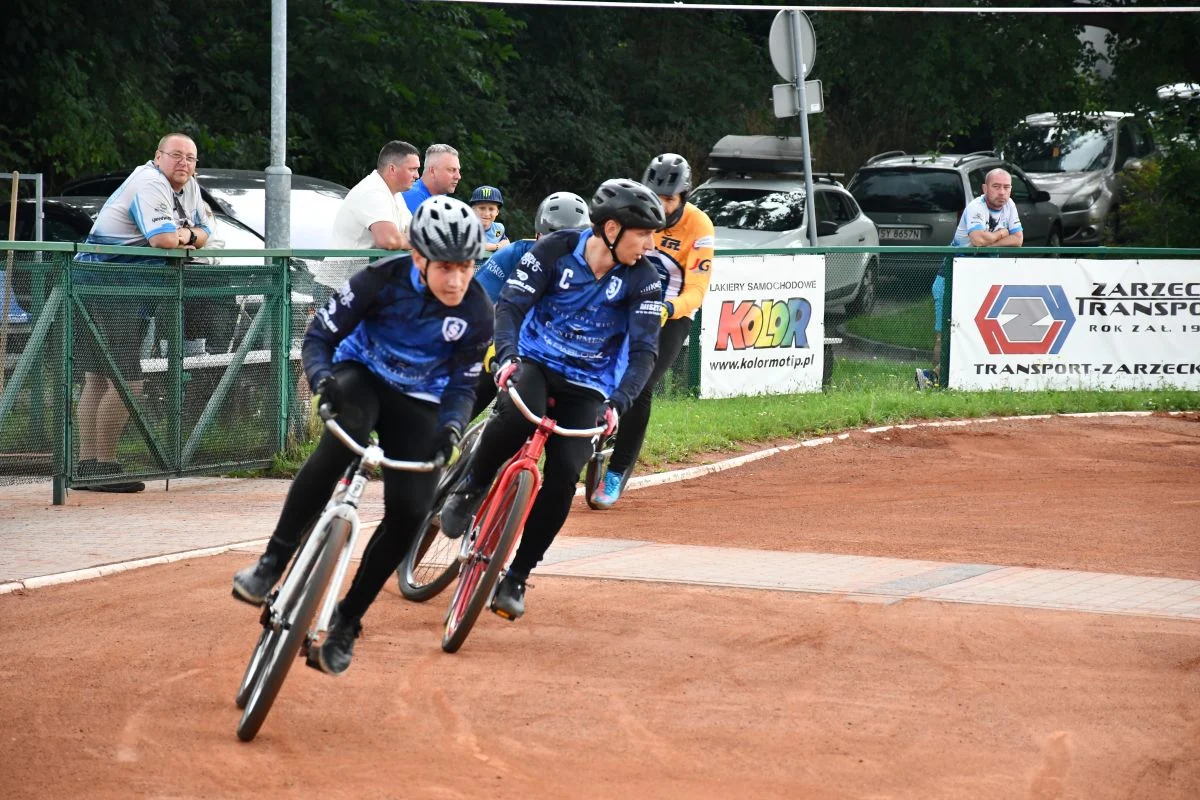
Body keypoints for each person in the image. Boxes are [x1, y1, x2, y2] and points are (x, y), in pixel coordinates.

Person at [231, 196, 491, 676]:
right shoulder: (380, 280)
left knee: (411, 513)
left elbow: (463, 385)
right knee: (338, 445)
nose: (457, 280)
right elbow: (320, 337)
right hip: (362, 377)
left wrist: (452, 427)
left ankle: (348, 620)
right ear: (418, 258)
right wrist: (322, 380)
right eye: (445, 267)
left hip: (421, 402)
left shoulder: (477, 310)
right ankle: (271, 562)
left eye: (466, 267)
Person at [438, 179, 666, 621]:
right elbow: (511, 305)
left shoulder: (644, 279)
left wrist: (618, 403)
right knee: (514, 419)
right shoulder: (554, 250)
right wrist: (506, 356)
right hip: (536, 360)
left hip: (590, 383)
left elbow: (644, 352)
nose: (650, 245)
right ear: (612, 229)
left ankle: (517, 576)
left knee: (563, 475)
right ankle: (470, 489)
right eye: (643, 234)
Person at [74, 132, 213, 492]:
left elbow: (207, 229)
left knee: (99, 379)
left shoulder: (188, 186)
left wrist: (185, 234)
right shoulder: (150, 182)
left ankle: (88, 467)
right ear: (158, 156)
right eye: (176, 155)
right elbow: (162, 240)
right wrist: (186, 235)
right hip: (104, 285)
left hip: (119, 288)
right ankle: (103, 467)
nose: (184, 163)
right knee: (127, 382)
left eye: (191, 158)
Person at [590, 153, 714, 510]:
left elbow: (697, 288)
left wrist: (668, 308)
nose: (661, 205)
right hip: (627, 301)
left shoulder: (699, 226)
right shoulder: (633, 209)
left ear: (684, 196)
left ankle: (617, 472)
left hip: (671, 314)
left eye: (669, 199)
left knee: (640, 385)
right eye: (656, 196)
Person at [468, 190, 591, 420]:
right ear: (537, 236)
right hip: (505, 337)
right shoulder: (513, 254)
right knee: (483, 377)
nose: (559, 248)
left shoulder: (593, 268)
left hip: (554, 351)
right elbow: (478, 303)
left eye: (570, 242)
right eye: (552, 239)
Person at [918, 167, 1023, 389]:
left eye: (1006, 187)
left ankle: (945, 378)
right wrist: (1002, 233)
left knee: (978, 330)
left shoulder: (1010, 206)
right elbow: (977, 240)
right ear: (985, 188)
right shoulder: (976, 207)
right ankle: (936, 381)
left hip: (983, 279)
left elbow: (1018, 240)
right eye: (996, 186)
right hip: (952, 277)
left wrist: (990, 240)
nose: (1002, 192)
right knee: (946, 333)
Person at [330, 140, 421, 251]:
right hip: (351, 263)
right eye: (412, 169)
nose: (417, 175)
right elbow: (389, 240)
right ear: (392, 169)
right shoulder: (373, 192)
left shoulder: (394, 193)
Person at [401, 144, 462, 213]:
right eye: (451, 170)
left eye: (458, 170)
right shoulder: (412, 197)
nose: (458, 176)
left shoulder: (441, 197)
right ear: (433, 171)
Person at [468, 185, 510, 263]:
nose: (486, 214)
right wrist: (496, 246)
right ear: (472, 209)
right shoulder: (464, 227)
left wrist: (499, 245)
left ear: (497, 212)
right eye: (482, 208)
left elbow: (506, 243)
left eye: (491, 209)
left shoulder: (499, 229)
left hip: (491, 268)